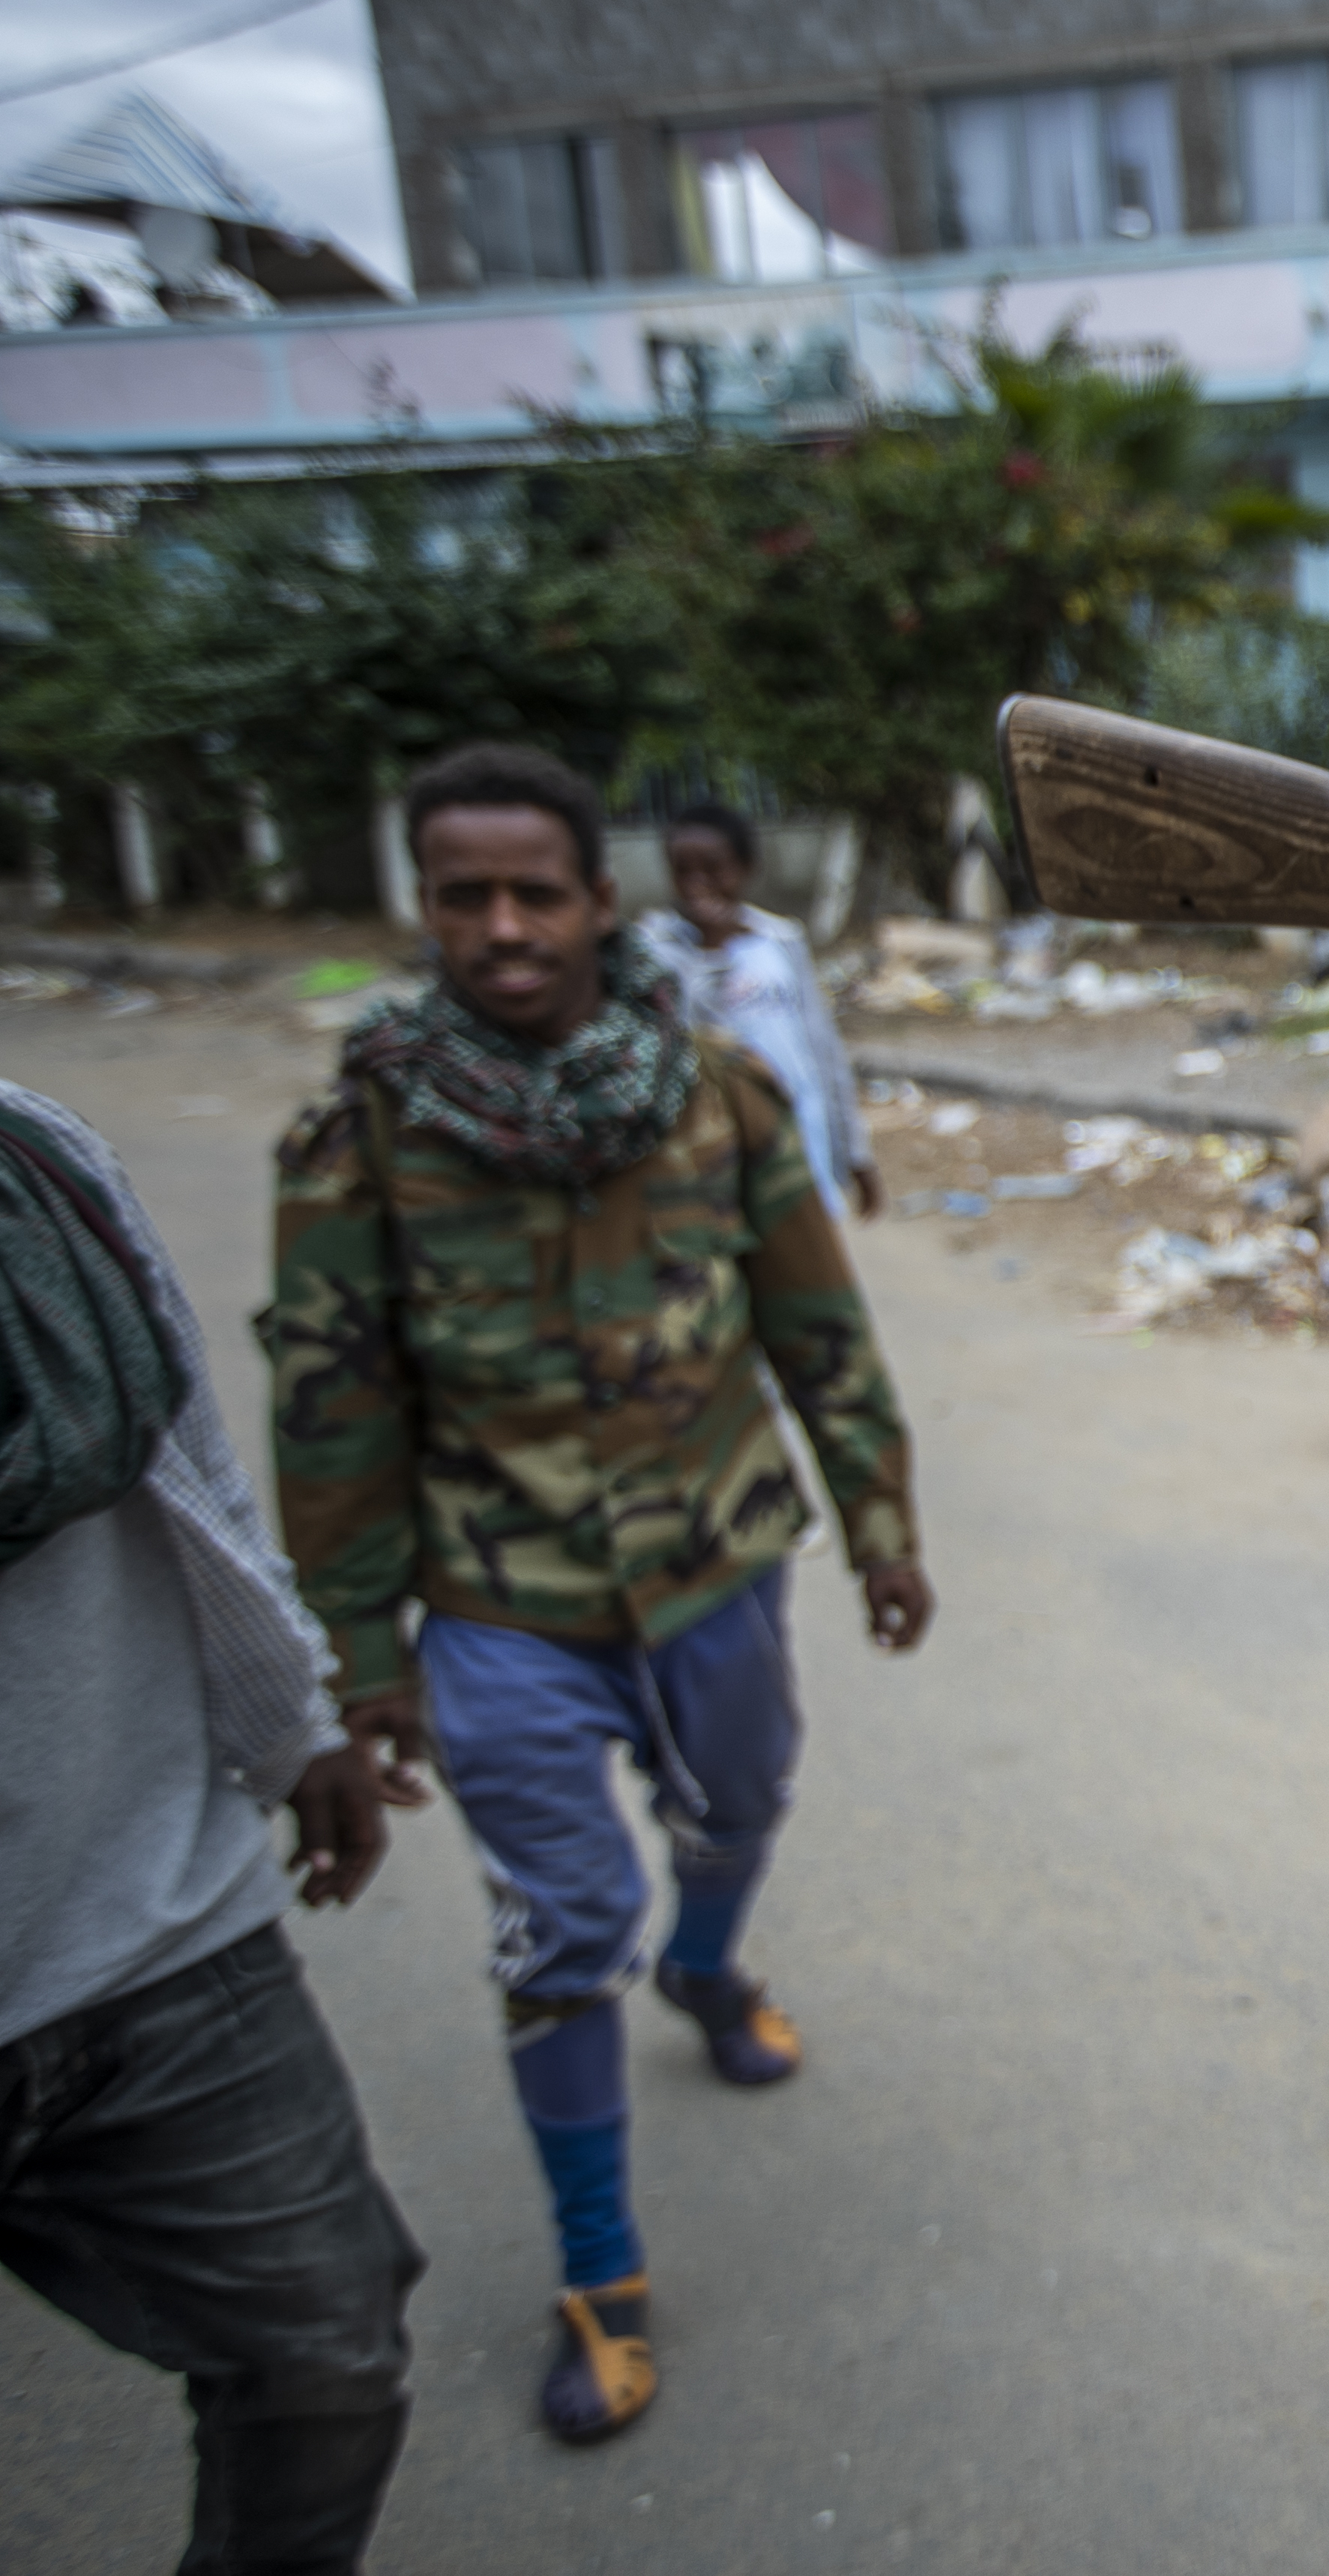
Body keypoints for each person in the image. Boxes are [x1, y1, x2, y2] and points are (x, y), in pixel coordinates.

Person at [263, 743, 934, 2446]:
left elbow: (816, 1329)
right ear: (421, 910)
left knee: (741, 1803)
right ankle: (600, 2270)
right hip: (503, 1608)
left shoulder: (715, 1094)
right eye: (461, 895)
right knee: (559, 1929)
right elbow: (333, 1411)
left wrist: (877, 1519)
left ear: (593, 902)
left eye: (531, 892)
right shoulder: (360, 1138)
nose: (499, 926)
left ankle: (706, 1966)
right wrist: (358, 1655)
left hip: (712, 1561)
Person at [1, 1079, 424, 2574]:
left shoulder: (38, 1168)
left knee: (326, 2348)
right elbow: (333, 1372)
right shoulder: (373, 1112)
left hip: (144, 1915)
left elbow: (192, 1461)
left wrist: (295, 1709)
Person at [635, 800, 882, 1222]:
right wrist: (712, 948)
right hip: (720, 1140)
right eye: (683, 870)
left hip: (801, 1124)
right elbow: (683, 1032)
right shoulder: (657, 950)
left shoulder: (779, 940)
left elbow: (822, 1047)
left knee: (810, 1245)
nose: (698, 885)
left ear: (746, 868)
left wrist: (856, 1152)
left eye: (713, 869)